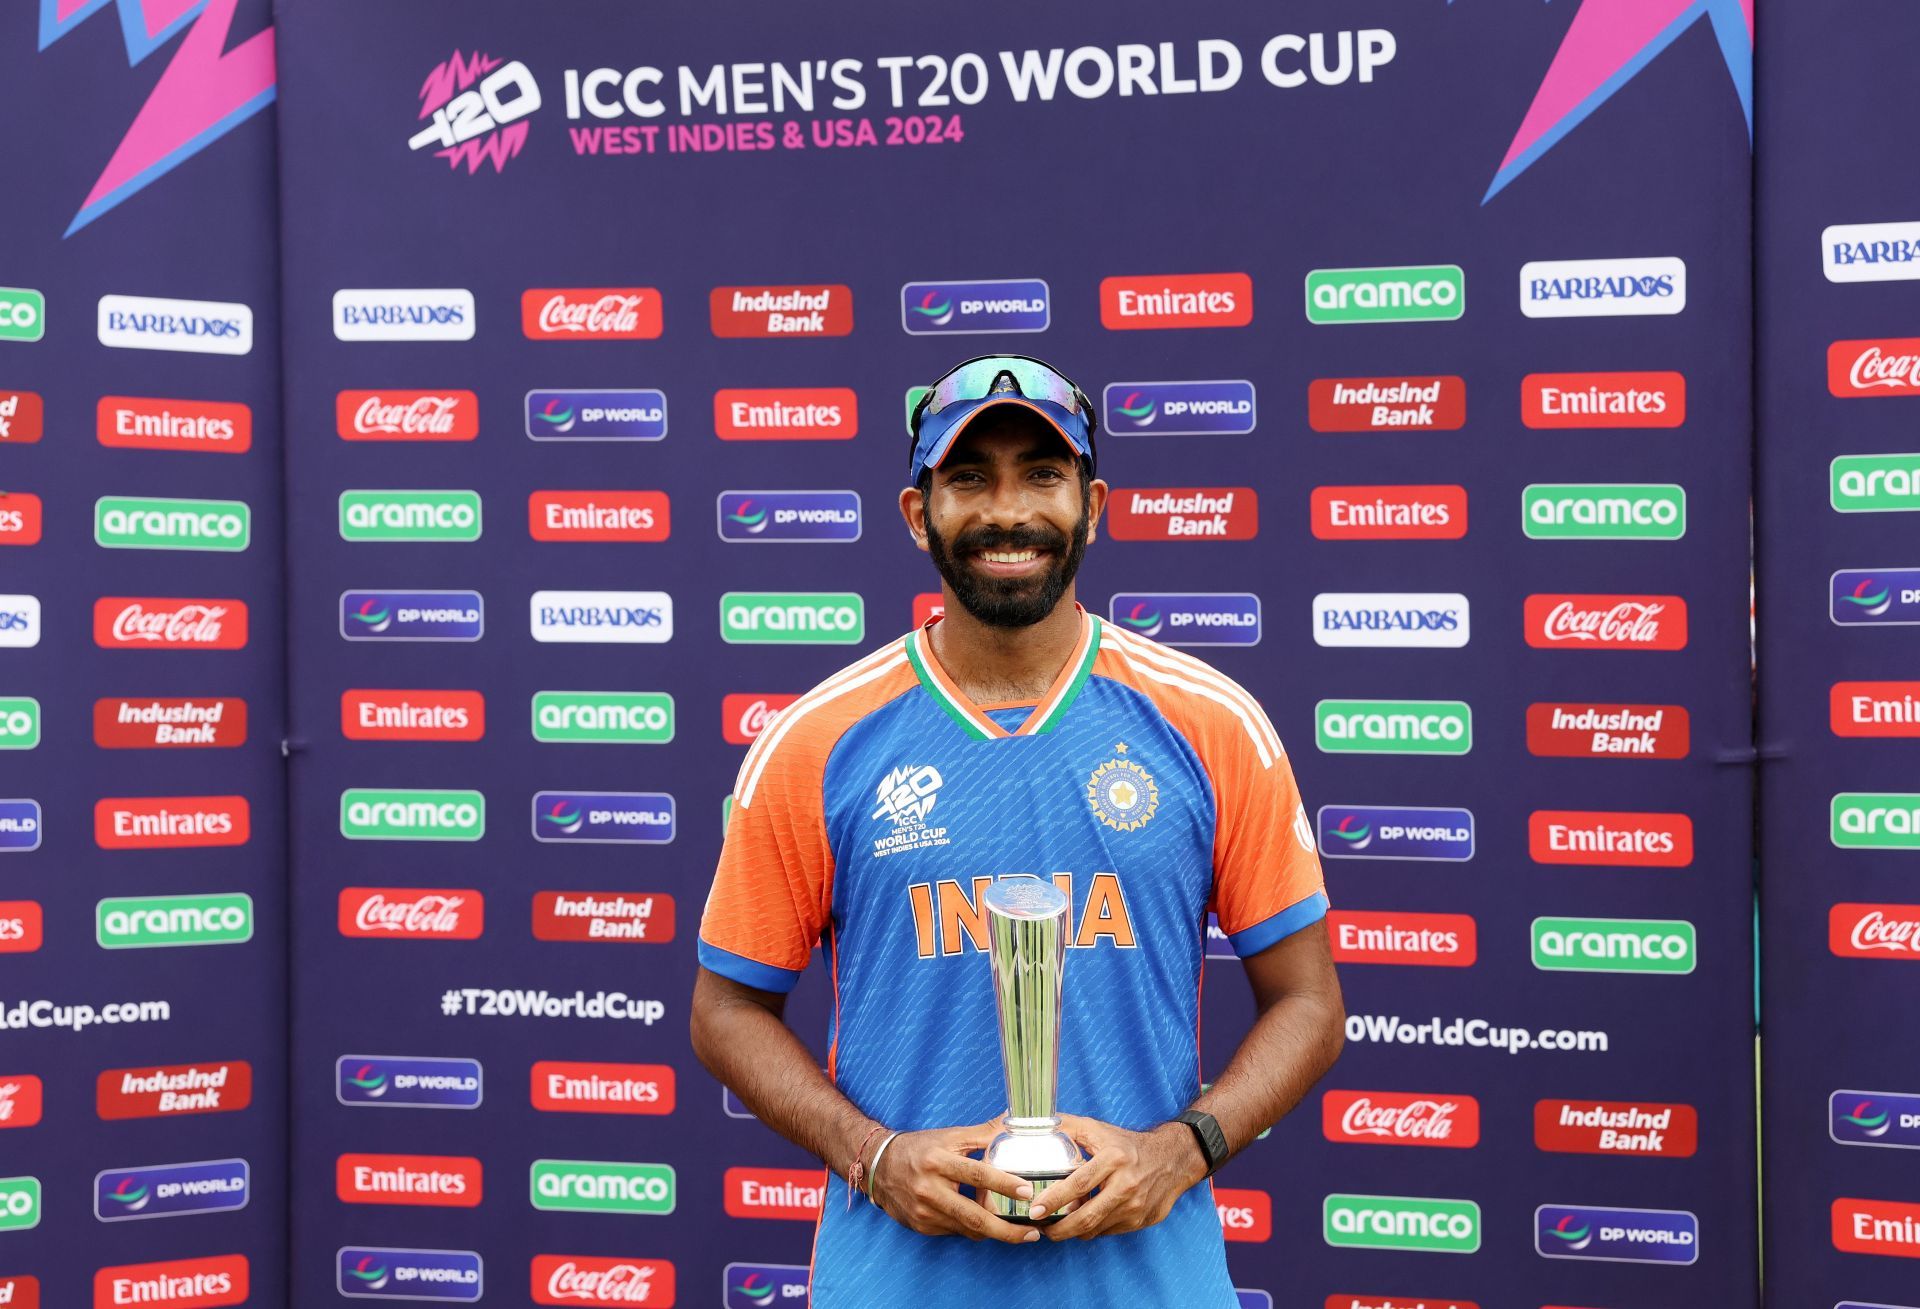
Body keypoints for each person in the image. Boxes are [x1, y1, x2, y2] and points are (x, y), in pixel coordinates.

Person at [692, 354, 1344, 1306]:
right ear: (920, 515)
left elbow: (1310, 1004)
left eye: (1043, 474)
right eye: (969, 478)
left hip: (1147, 1284)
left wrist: (1180, 1151)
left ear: (1093, 504)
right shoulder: (818, 742)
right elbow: (725, 1011)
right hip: (899, 1284)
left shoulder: (1210, 724)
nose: (1009, 511)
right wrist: (872, 1156)